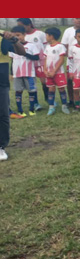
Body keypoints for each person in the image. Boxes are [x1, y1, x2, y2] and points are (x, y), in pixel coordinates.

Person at [1, 30, 27, 161]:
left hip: (1, 82)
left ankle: (1, 147)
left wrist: (14, 40)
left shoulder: (3, 36)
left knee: (2, 114)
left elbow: (22, 52)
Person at [8, 26, 40, 116]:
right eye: (14, 36)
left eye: (18, 35)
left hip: (29, 73)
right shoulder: (12, 47)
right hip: (17, 74)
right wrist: (11, 73)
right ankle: (20, 110)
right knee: (18, 91)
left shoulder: (31, 46)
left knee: (31, 91)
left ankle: (31, 109)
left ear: (24, 34)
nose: (17, 38)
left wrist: (25, 54)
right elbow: (12, 60)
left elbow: (36, 57)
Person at [17, 18, 47, 108]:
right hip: (29, 64)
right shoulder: (21, 36)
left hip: (40, 62)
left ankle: (48, 99)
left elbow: (46, 47)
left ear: (29, 25)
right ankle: (36, 103)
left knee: (44, 82)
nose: (20, 28)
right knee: (32, 84)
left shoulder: (40, 34)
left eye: (21, 26)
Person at [43, 27, 71, 116]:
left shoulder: (60, 46)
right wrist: (45, 70)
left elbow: (61, 60)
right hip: (49, 73)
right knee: (51, 89)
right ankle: (51, 107)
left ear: (51, 36)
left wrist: (54, 71)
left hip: (58, 73)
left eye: (46, 35)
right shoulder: (47, 47)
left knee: (61, 88)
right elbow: (45, 59)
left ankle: (64, 106)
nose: (46, 37)